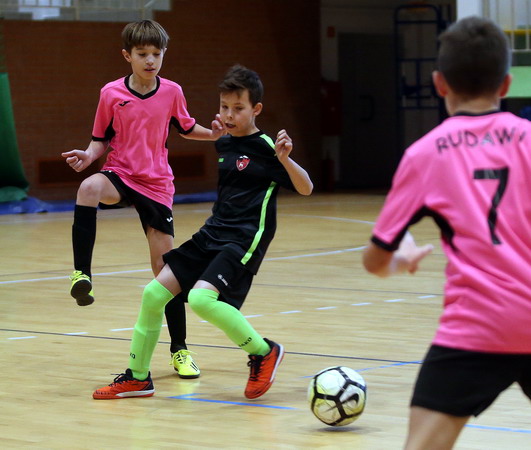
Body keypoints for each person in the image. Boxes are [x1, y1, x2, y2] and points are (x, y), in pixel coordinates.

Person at [92, 64, 313, 400]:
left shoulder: (267, 146)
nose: (229, 115)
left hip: (244, 237)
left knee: (200, 299)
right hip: (213, 232)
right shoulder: (224, 143)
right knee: (153, 294)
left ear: (256, 109)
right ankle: (137, 378)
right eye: (224, 107)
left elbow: (306, 188)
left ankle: (263, 351)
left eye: (238, 108)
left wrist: (285, 159)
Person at [362, 16, 531, 450]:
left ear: (439, 83)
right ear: (506, 83)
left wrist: (399, 260)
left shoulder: (425, 154)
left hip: (477, 328)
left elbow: (374, 260)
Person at [62, 20, 226, 379]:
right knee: (88, 188)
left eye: (156, 53)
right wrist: (88, 156)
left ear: (163, 54)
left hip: (156, 185)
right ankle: (81, 274)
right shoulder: (110, 93)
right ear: (127, 56)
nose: (150, 60)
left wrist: (213, 135)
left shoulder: (172, 91)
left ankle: (180, 350)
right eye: (142, 54)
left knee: (166, 272)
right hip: (120, 174)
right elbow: (100, 140)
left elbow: (186, 128)